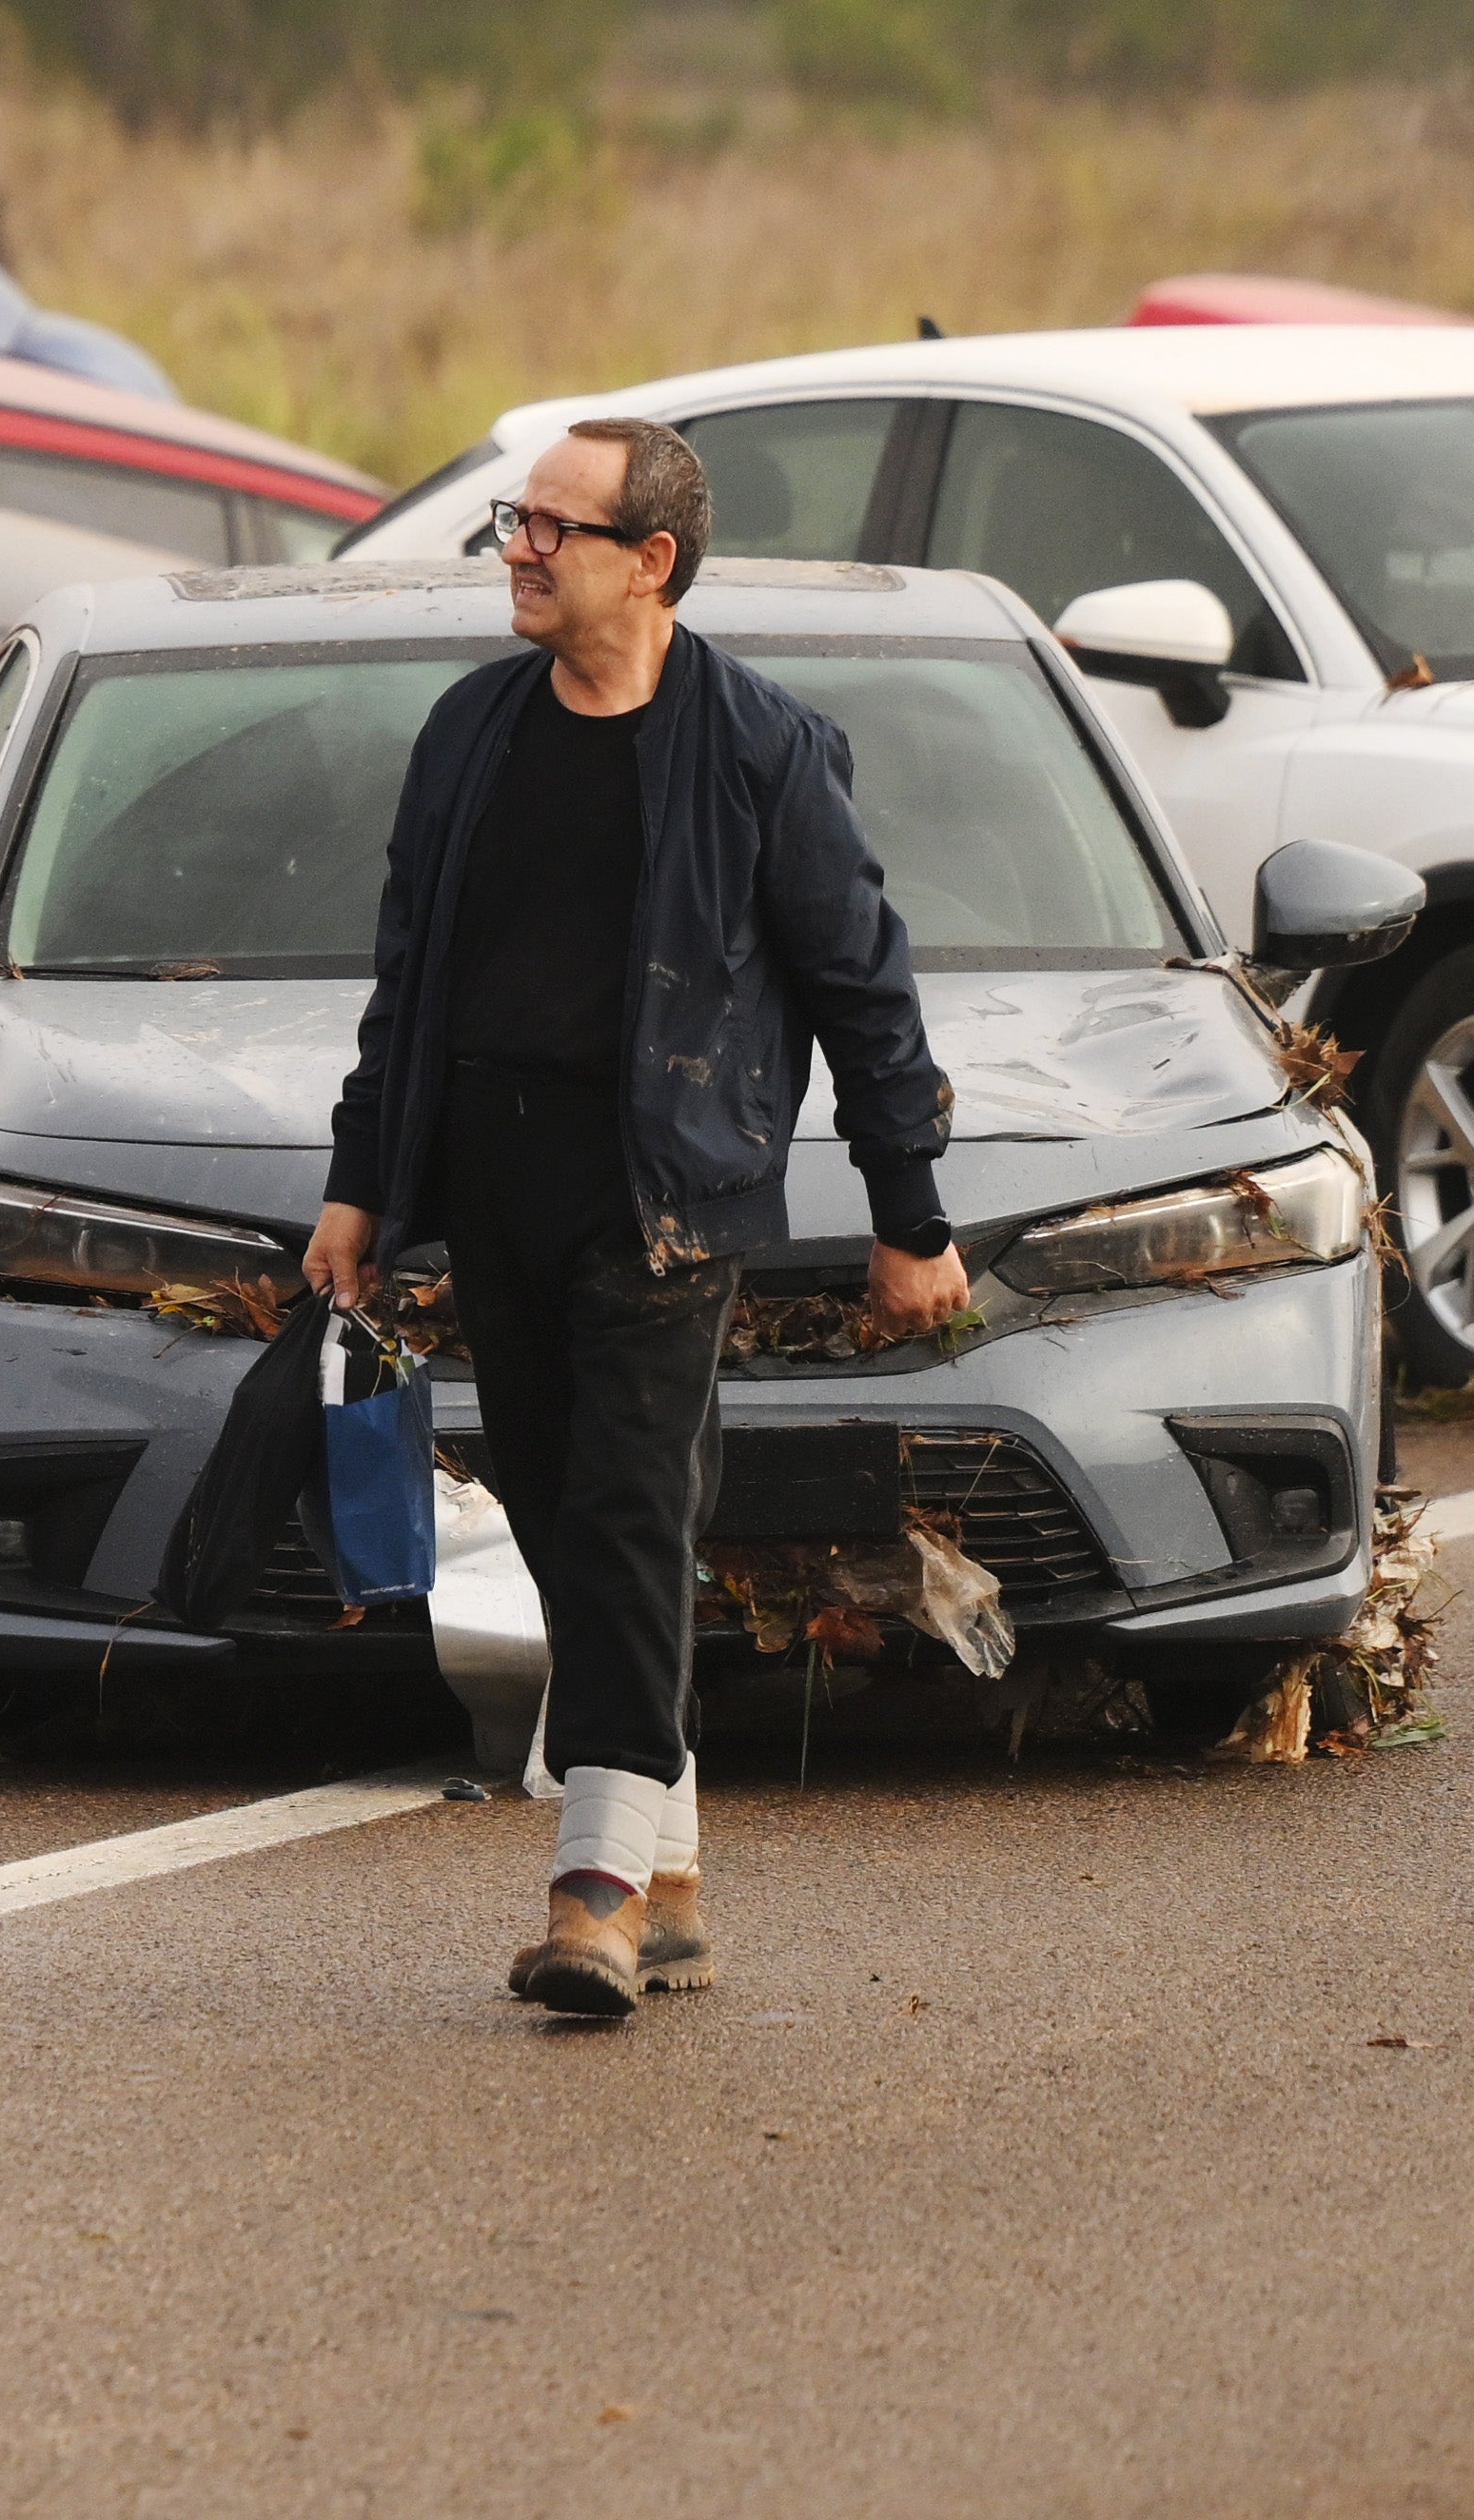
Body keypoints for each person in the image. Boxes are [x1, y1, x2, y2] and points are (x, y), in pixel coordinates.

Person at [295, 411, 960, 2028]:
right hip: (498, 1180)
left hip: (666, 1189)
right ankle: (667, 1874)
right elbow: (410, 981)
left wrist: (909, 1213)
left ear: (649, 563)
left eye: (550, 528)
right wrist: (363, 1178)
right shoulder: (471, 733)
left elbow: (862, 986)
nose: (516, 549)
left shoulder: (758, 749)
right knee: (543, 1485)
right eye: (514, 523)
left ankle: (588, 1890)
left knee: (629, 1499)